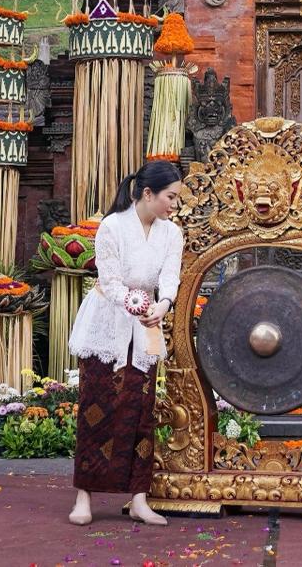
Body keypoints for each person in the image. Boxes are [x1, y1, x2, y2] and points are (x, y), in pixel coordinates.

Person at [67, 161, 184, 527]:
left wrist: (161, 307)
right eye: (171, 197)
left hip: (146, 325)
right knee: (95, 408)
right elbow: (112, 281)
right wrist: (139, 306)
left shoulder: (171, 234)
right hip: (107, 322)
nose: (174, 205)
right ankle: (84, 495)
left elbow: (170, 279)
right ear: (147, 194)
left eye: (177, 199)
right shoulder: (112, 227)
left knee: (141, 411)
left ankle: (138, 498)